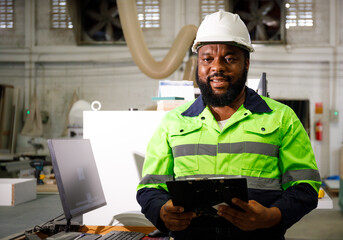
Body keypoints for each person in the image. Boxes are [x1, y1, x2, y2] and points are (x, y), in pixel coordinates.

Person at [137, 10, 321, 240]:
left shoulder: (282, 118)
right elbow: (150, 188)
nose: (217, 67)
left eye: (230, 58)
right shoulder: (173, 123)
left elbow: (306, 186)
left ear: (246, 63)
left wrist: (271, 216)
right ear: (198, 63)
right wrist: (162, 212)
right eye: (207, 59)